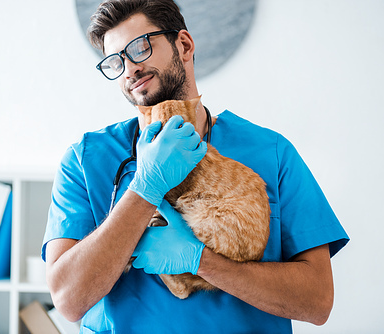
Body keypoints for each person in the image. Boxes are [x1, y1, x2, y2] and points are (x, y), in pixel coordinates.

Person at [42, 0, 349, 332]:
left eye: (140, 47)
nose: (129, 68)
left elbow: (317, 302)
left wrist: (202, 262)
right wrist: (146, 188)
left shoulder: (270, 152)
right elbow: (69, 300)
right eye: (116, 62)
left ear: (184, 45)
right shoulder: (86, 160)